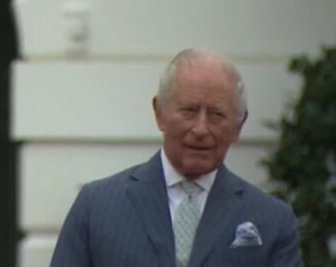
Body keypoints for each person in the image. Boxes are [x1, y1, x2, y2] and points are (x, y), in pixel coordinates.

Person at [49, 49, 303, 267]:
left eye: (216, 115)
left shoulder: (272, 221)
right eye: (189, 111)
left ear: (238, 126)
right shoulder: (97, 207)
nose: (201, 129)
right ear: (159, 113)